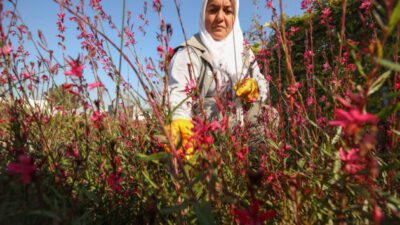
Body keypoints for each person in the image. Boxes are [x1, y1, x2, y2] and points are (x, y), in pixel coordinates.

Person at [166, 0, 277, 157]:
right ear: (203, 14)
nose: (220, 17)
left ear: (235, 16)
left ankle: (256, 165)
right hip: (206, 128)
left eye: (227, 11)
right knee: (213, 106)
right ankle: (218, 165)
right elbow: (178, 92)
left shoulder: (244, 51)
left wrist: (256, 90)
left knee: (268, 115)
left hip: (241, 114)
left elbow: (260, 81)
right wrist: (179, 119)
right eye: (213, 10)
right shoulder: (189, 52)